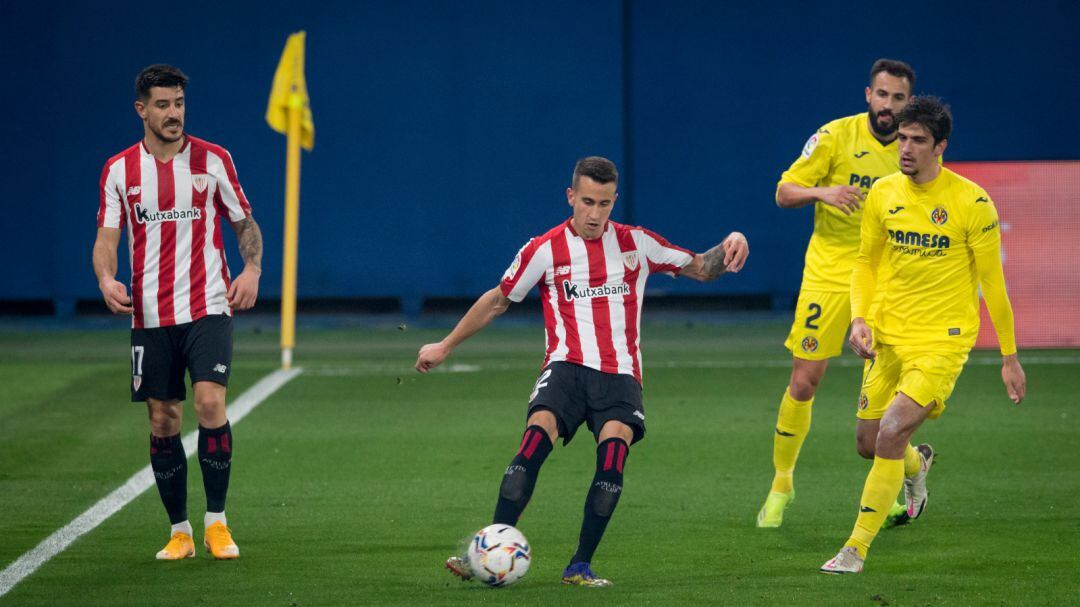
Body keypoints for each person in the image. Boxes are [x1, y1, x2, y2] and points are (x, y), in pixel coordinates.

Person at [415, 156, 749, 587]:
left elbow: (702, 267)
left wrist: (732, 241)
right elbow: (498, 300)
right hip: (566, 368)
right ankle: (487, 549)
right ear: (571, 196)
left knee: (612, 460)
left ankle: (579, 566)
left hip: (620, 375)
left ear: (614, 201)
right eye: (587, 202)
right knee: (534, 443)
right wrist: (445, 345)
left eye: (604, 204)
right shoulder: (544, 249)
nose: (594, 214)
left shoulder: (637, 243)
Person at [820, 96, 1026, 574]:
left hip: (942, 341)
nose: (905, 148)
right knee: (869, 442)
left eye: (917, 140)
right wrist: (859, 319)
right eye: (902, 138)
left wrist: (1010, 356)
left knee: (892, 431)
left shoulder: (972, 203)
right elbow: (865, 262)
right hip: (887, 335)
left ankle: (855, 548)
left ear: (940, 147)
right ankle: (918, 465)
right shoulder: (883, 193)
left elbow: (994, 284)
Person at [92, 64, 263, 561]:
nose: (174, 114)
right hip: (149, 314)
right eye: (163, 105)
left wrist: (252, 269)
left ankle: (217, 524)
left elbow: (244, 222)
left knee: (209, 403)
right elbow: (107, 239)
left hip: (208, 305)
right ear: (141, 110)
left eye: (179, 104)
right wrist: (106, 279)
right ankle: (180, 532)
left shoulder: (213, 159)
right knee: (163, 418)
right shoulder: (119, 170)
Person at [757, 59, 917, 528]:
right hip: (828, 274)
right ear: (868, 94)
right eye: (882, 94)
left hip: (885, 282)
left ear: (908, 102)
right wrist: (823, 193)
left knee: (881, 400)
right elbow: (784, 191)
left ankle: (893, 485)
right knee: (804, 380)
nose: (888, 105)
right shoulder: (833, 137)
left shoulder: (913, 148)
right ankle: (781, 484)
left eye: (898, 98)